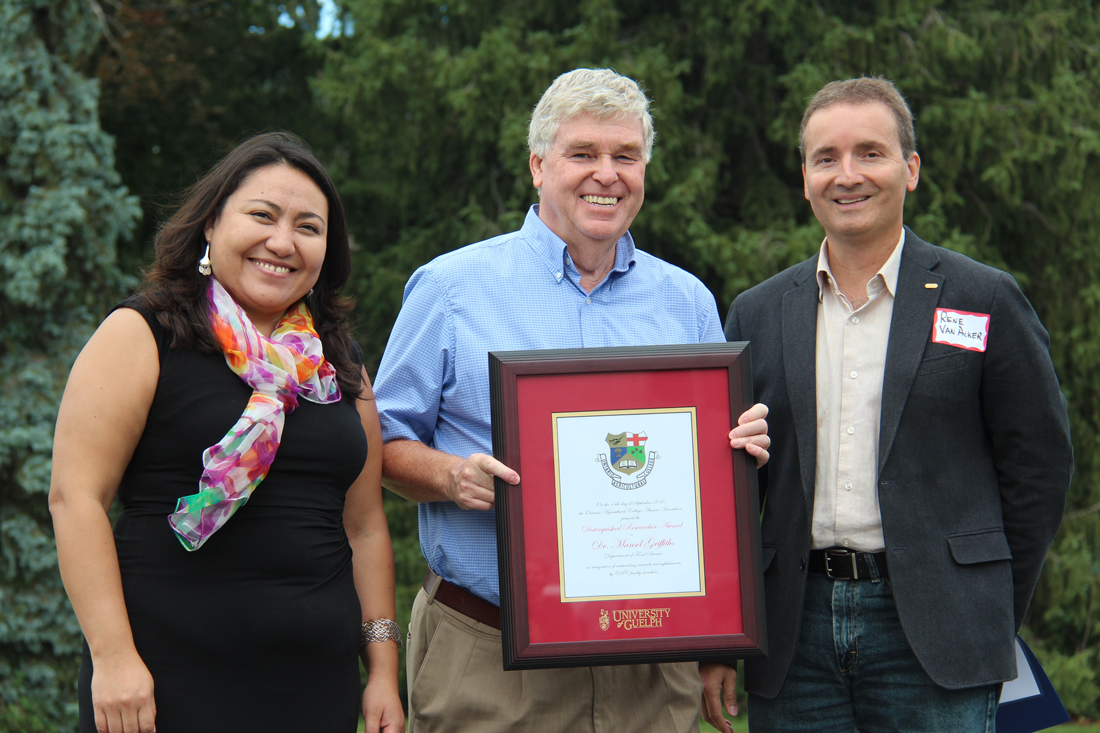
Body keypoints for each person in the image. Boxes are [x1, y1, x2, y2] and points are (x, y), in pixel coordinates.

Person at [373, 68, 771, 732]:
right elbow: (379, 447)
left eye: (626, 156)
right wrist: (451, 475)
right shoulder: (450, 289)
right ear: (538, 165)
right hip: (487, 654)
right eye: (583, 153)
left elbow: (706, 491)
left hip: (650, 665)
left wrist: (736, 450)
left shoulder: (687, 301)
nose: (606, 174)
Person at [701, 77, 1073, 732]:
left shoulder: (982, 299)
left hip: (938, 632)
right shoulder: (757, 311)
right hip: (795, 633)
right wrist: (722, 633)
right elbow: (732, 485)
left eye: (870, 152)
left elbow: (1038, 466)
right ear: (806, 175)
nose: (847, 175)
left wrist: (985, 603)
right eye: (826, 157)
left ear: (911, 168)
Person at [49, 132, 404, 733]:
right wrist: (112, 658)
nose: (282, 242)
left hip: (317, 687)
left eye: (308, 227)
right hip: (160, 681)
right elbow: (75, 498)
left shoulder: (338, 363)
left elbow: (365, 526)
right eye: (262, 216)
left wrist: (385, 674)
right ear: (211, 225)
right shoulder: (143, 333)